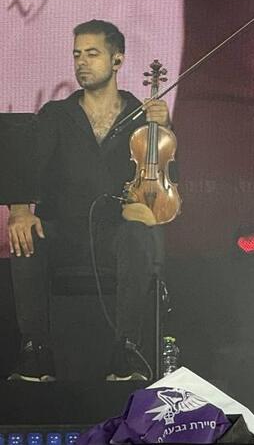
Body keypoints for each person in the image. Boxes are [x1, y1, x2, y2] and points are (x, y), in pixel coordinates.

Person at [6, 20, 170, 382]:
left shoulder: (142, 117)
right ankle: (36, 354)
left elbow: (162, 185)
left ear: (117, 60)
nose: (81, 62)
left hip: (114, 234)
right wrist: (19, 211)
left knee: (138, 236)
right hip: (63, 231)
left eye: (92, 54)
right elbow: (25, 166)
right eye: (77, 54)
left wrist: (164, 128)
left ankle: (126, 351)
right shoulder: (55, 114)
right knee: (24, 238)